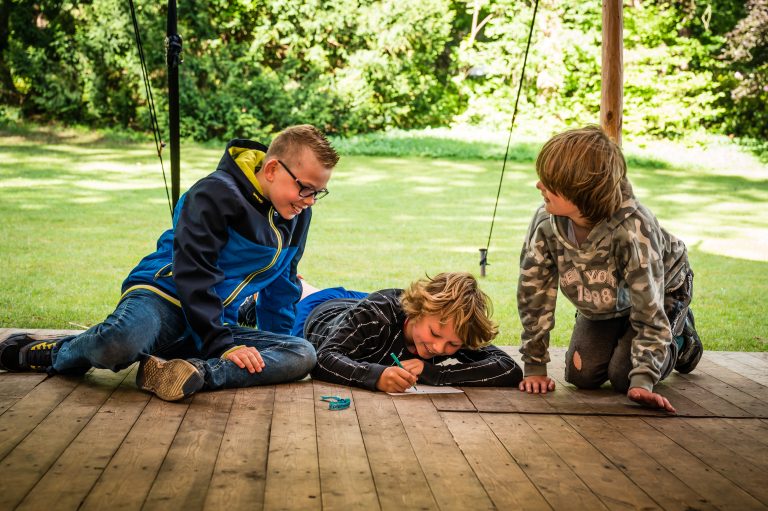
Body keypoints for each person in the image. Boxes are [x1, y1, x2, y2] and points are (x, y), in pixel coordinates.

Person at [0, 125, 339, 401]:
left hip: (213, 323)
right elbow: (193, 274)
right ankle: (50, 354)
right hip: (163, 299)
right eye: (306, 189)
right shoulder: (214, 195)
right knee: (121, 342)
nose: (309, 202)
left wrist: (272, 345)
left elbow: (282, 285)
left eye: (317, 194)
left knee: (302, 353)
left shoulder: (295, 215)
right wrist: (223, 344)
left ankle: (191, 373)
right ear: (271, 169)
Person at [516, 125, 703, 413]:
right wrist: (534, 364)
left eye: (549, 181)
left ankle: (681, 335)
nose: (538, 185)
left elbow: (648, 307)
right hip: (607, 300)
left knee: (623, 377)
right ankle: (622, 331)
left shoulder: (633, 229)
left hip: (659, 292)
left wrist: (643, 379)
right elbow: (534, 294)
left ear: (581, 193)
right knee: (582, 376)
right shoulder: (545, 223)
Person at [246, 272, 522, 392]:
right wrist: (376, 377)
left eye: (452, 345)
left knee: (364, 308)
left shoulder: (450, 326)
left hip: (362, 307)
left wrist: (434, 373)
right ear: (418, 310)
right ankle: (263, 295)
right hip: (319, 313)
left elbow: (507, 369)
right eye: (436, 335)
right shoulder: (376, 316)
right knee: (278, 307)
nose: (439, 349)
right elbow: (324, 359)